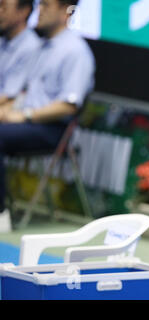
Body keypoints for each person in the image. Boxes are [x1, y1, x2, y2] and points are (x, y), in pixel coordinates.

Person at [0, 0, 95, 222]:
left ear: (66, 11)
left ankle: (1, 213)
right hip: (23, 120)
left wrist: (25, 115)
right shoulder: (41, 47)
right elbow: (20, 92)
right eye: (40, 5)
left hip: (49, 129)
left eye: (46, 6)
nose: (39, 11)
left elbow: (69, 104)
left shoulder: (76, 51)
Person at [0, 0, 40, 107]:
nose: (0, 11)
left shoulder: (31, 47)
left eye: (4, 7)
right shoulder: (3, 39)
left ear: (23, 11)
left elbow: (8, 96)